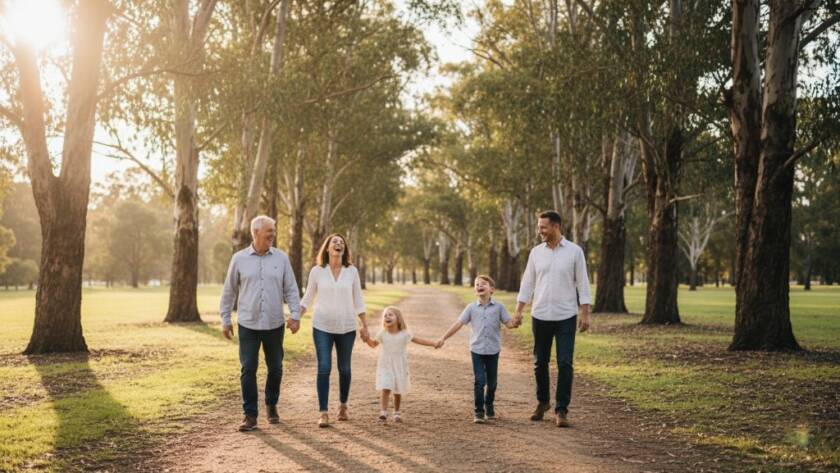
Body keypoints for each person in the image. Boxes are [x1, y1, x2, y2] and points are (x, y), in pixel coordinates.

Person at [219, 215, 301, 432]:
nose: (272, 235)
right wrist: (225, 319)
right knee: (248, 369)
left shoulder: (281, 259)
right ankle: (250, 415)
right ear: (255, 233)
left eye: (273, 231)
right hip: (248, 323)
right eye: (269, 232)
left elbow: (291, 289)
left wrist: (295, 315)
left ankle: (271, 404)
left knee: (276, 368)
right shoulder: (239, 259)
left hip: (274, 323)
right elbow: (229, 291)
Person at [515, 210, 591, 428]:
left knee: (565, 363)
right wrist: (519, 310)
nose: (540, 231)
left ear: (556, 227)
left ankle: (561, 409)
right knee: (540, 362)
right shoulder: (536, 253)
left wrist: (585, 313)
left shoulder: (575, 252)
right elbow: (527, 283)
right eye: (539, 227)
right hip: (540, 315)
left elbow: (582, 284)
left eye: (543, 227)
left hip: (566, 315)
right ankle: (543, 402)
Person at [300, 233, 368, 427]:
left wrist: (365, 324)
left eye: (341, 243)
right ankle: (323, 412)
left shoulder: (351, 271)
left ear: (344, 249)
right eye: (334, 242)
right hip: (322, 326)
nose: (338, 244)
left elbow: (358, 299)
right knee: (324, 367)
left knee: (344, 369)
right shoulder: (317, 271)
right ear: (328, 248)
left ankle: (343, 405)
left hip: (347, 326)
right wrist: (296, 316)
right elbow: (308, 298)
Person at [437, 275, 520, 424]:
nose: (479, 286)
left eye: (483, 284)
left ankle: (489, 405)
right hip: (477, 350)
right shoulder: (471, 308)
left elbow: (509, 323)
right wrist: (443, 337)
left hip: (493, 350)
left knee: (492, 383)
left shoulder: (499, 307)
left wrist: (516, 322)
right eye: (476, 284)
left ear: (491, 289)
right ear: (475, 290)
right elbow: (458, 324)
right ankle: (479, 411)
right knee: (480, 380)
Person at [363, 306, 438, 423]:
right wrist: (366, 339)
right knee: (386, 387)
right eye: (385, 316)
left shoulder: (404, 334)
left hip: (399, 366)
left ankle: (397, 412)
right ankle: (383, 412)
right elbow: (373, 344)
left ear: (398, 318)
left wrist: (433, 343)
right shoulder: (382, 333)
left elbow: (418, 340)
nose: (387, 317)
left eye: (390, 314)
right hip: (385, 365)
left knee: (397, 390)